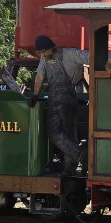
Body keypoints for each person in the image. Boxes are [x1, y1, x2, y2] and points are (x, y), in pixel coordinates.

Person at [31, 35, 89, 176]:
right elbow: (39, 76)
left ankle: (70, 168)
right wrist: (35, 95)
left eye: (44, 51)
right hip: (53, 97)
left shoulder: (70, 53)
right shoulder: (44, 59)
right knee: (53, 133)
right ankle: (82, 155)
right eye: (40, 52)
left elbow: (91, 57)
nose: (42, 55)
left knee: (70, 133)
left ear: (52, 47)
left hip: (68, 97)